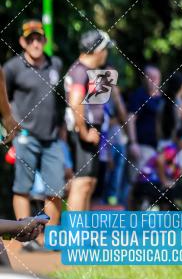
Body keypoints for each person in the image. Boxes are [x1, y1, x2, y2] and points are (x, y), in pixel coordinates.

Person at [3, 20, 65, 230]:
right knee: (22, 188)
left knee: (56, 190)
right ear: (22, 42)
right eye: (31, 40)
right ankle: (24, 235)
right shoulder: (12, 68)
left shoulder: (55, 64)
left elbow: (61, 101)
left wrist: (62, 129)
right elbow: (4, 99)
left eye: (39, 39)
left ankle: (51, 236)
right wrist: (8, 127)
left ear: (45, 41)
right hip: (25, 136)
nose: (36, 44)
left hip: (52, 138)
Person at [64, 29, 118, 211]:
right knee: (82, 182)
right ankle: (74, 235)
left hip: (90, 131)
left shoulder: (87, 70)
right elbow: (75, 102)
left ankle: (82, 232)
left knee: (90, 183)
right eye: (105, 49)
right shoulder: (80, 70)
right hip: (83, 132)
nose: (106, 53)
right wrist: (85, 132)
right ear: (97, 50)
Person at [127, 64, 163, 171]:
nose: (153, 80)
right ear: (144, 79)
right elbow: (130, 119)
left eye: (156, 78)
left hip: (159, 149)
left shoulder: (162, 98)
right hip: (142, 147)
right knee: (137, 183)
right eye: (150, 77)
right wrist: (133, 143)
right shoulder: (139, 96)